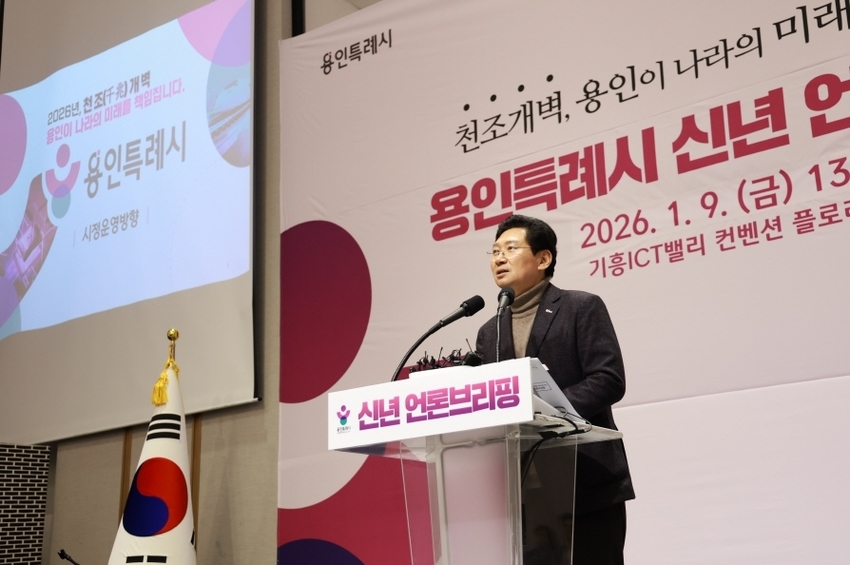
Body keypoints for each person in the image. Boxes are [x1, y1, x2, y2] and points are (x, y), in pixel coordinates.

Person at [476, 214, 635, 565]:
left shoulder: (580, 307)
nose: (499, 258)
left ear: (543, 258)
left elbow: (608, 378)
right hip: (526, 493)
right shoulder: (489, 332)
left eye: (510, 249)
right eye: (495, 252)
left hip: (585, 482)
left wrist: (546, 412)